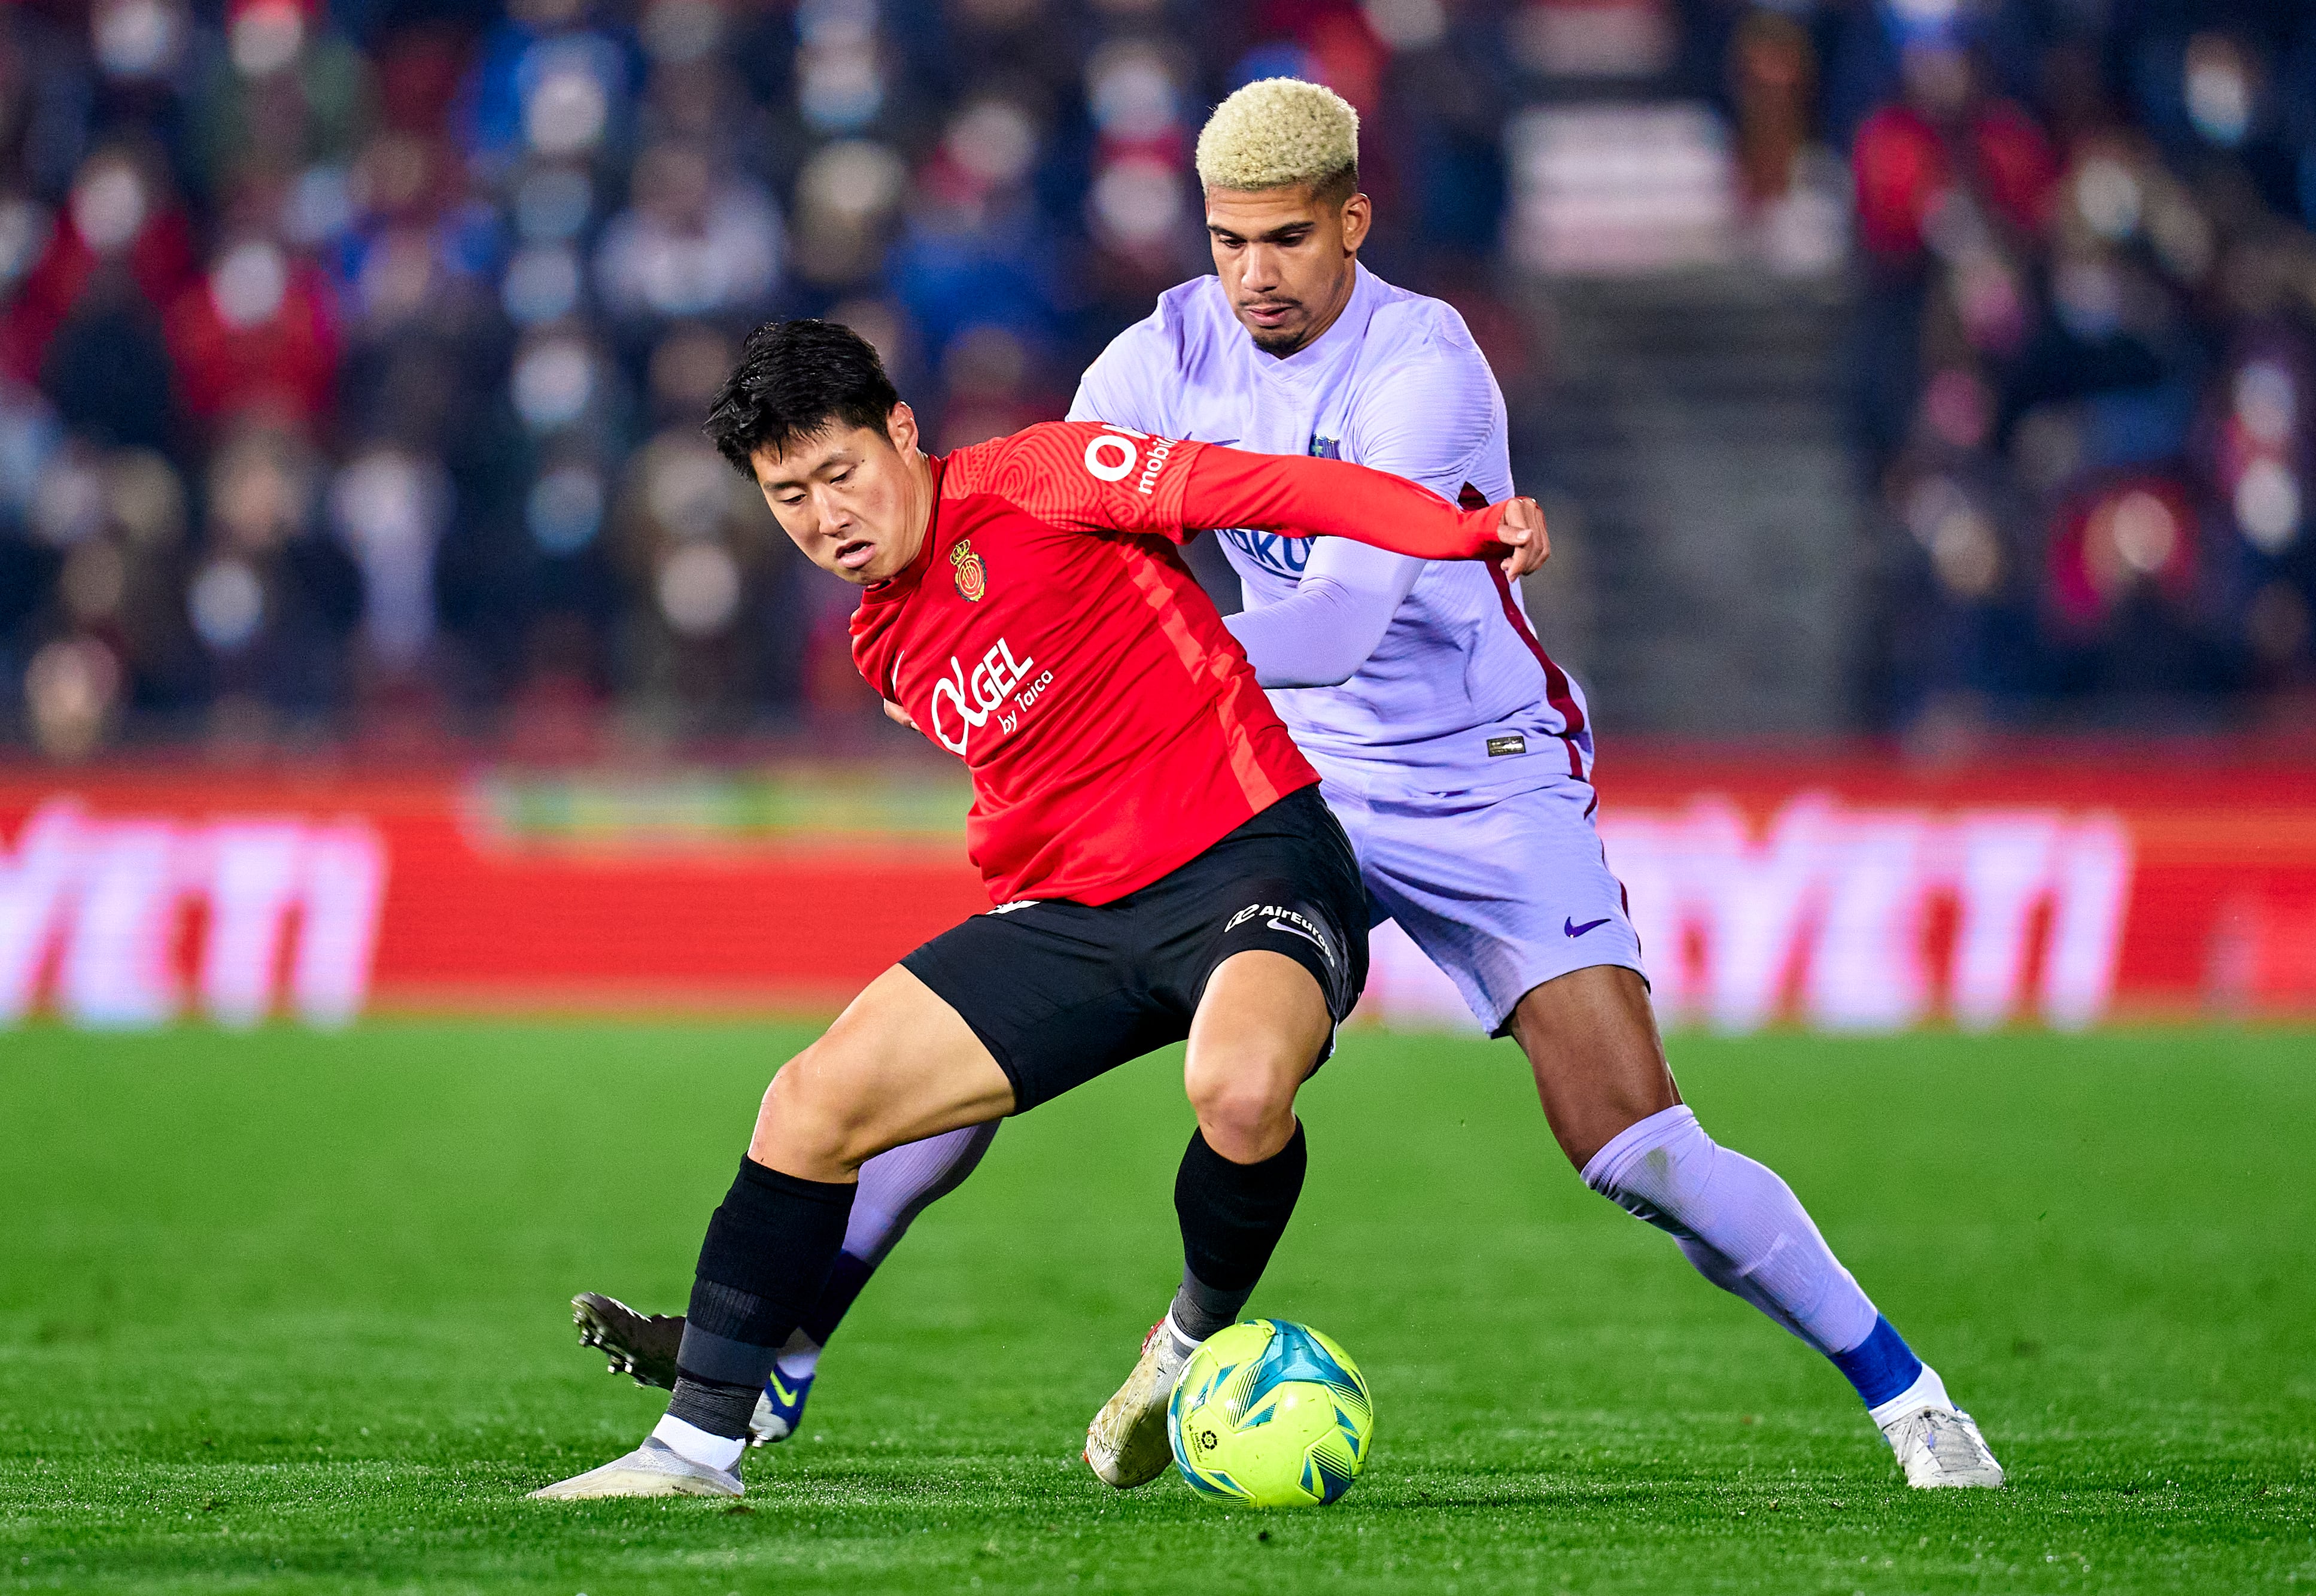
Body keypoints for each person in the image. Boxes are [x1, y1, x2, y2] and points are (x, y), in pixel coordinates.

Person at [572, 80, 2004, 1492]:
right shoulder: (1156, 355)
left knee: (1630, 1140)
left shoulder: (1421, 366)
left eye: (1286, 241)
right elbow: (1051, 565)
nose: (1251, 275)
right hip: (1252, 782)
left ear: (1352, 222)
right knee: (964, 1060)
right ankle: (773, 1359)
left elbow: (1329, 626)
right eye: (1225, 241)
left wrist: (1115, 685)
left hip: (1468, 775)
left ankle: (1907, 1396)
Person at [532, 317, 1550, 1498]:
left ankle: (1180, 1345)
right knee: (809, 1102)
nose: (825, 517)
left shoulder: (1044, 473)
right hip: (1075, 916)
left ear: (901, 433)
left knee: (1237, 1084)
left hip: (1252, 859)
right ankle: (695, 1450)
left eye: (840, 472)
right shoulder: (880, 641)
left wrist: (1460, 529)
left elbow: (1275, 485)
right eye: (788, 495)